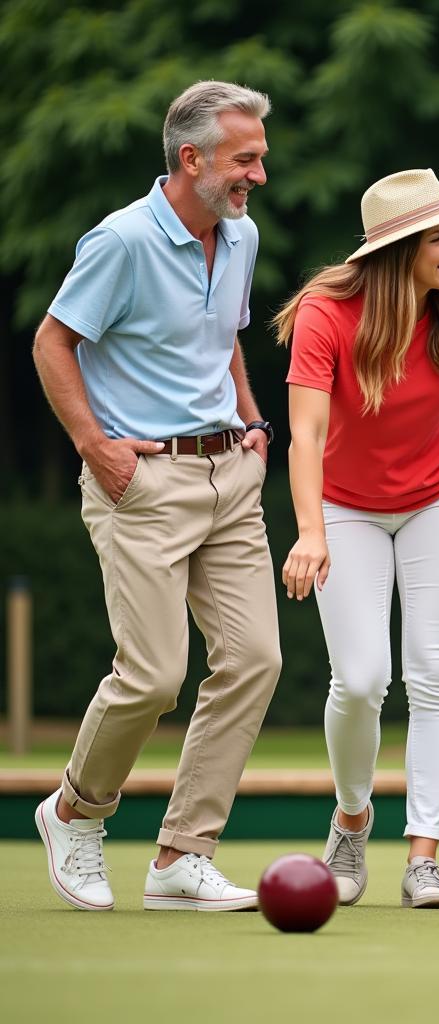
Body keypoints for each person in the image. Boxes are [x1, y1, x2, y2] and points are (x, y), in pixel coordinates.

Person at [32, 81, 281, 912]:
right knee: (152, 675)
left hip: (230, 475)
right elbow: (52, 342)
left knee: (255, 660)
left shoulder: (238, 233)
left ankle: (182, 854)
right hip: (143, 483)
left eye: (259, 158)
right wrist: (95, 447)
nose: (258, 176)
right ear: (191, 158)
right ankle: (75, 812)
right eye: (246, 160)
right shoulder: (121, 241)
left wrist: (251, 419)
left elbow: (226, 338)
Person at [274, 168, 439, 909]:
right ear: (398, 247)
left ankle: (423, 856)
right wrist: (311, 532)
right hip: (346, 503)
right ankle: (352, 821)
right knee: (358, 679)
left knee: (433, 672)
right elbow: (304, 433)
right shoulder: (328, 314)